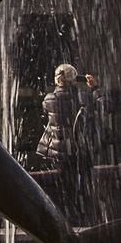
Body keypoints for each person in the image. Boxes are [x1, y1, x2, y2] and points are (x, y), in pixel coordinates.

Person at [36, 64, 106, 224]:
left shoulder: (49, 99)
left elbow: (47, 112)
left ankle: (69, 220)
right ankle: (88, 217)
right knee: (86, 183)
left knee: (66, 187)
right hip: (79, 149)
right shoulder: (82, 98)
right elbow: (104, 106)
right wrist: (95, 89)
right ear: (74, 80)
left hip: (59, 152)